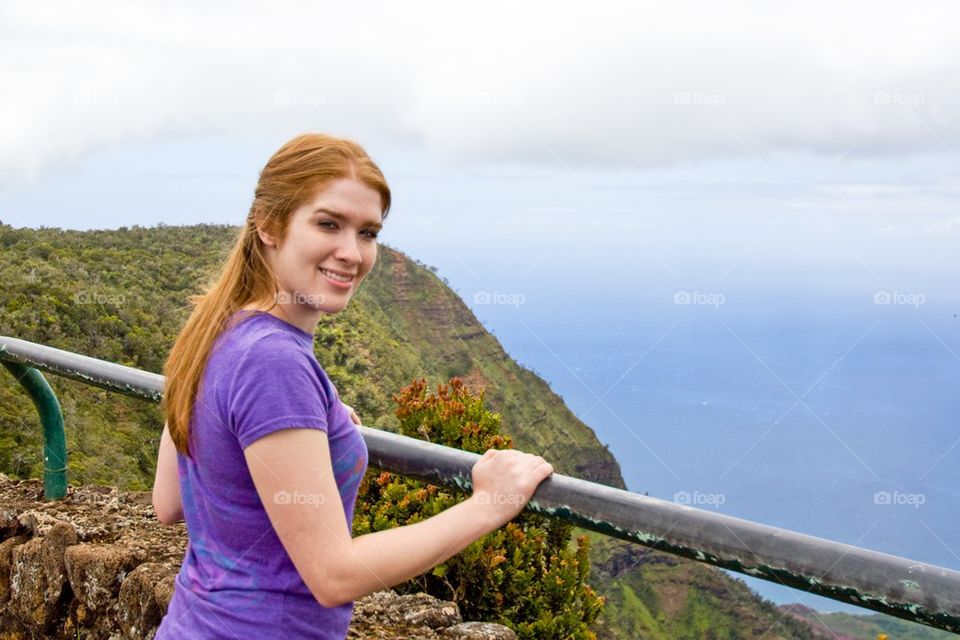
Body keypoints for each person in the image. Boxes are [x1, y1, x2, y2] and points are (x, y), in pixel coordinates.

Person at [151, 133, 555, 639]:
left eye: (367, 232)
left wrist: (318, 423)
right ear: (269, 224)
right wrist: (490, 504)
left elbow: (169, 501)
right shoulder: (274, 362)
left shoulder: (219, 331)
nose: (352, 252)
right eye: (328, 224)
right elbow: (332, 575)